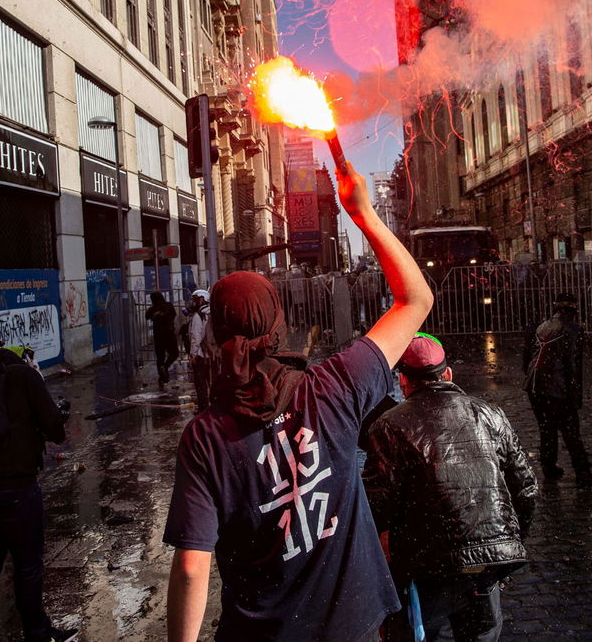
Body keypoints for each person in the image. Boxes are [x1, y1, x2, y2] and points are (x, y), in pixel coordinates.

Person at [164, 164, 433, 642]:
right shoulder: (335, 385)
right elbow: (414, 300)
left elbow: (191, 566)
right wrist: (365, 214)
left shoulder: (204, 437)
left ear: (215, 338)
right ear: (278, 326)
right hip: (353, 627)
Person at [363, 333, 538, 642]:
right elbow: (525, 489)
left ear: (403, 382)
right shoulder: (490, 414)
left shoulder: (389, 426)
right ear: (447, 374)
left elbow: (377, 507)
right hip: (487, 564)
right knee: (482, 633)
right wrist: (510, 540)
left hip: (427, 565)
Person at [0, 347, 71, 642]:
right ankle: (36, 632)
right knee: (27, 565)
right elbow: (54, 427)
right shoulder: (25, 377)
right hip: (17, 487)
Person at [522, 293, 592, 490]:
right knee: (571, 432)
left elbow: (527, 359)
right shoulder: (573, 329)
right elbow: (573, 365)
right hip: (556, 386)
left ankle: (549, 466)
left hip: (534, 385)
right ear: (573, 310)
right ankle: (582, 473)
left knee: (546, 428)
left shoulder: (542, 327)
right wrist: (574, 395)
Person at [184, 289, 214, 408]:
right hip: (213, 354)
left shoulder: (198, 316)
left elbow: (196, 337)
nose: (193, 303)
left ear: (202, 299)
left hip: (201, 355)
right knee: (212, 382)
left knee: (201, 383)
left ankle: (203, 408)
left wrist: (193, 354)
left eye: (195, 300)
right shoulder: (212, 313)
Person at [145, 292, 179, 386]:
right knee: (174, 353)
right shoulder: (168, 305)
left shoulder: (153, 309)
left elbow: (147, 316)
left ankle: (163, 377)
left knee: (160, 357)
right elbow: (174, 314)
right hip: (169, 333)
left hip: (158, 335)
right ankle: (165, 367)